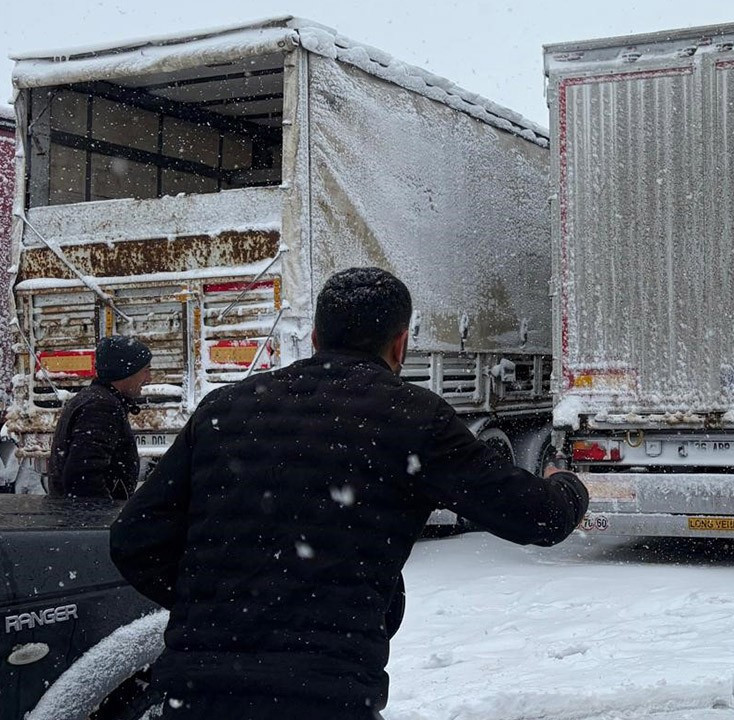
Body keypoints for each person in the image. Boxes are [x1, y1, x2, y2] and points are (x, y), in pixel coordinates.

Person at [109, 267, 589, 719]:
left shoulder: (226, 407)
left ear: (316, 338)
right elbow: (540, 519)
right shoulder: (414, 418)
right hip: (325, 693)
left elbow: (133, 539)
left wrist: (221, 605)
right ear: (400, 344)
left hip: (194, 693)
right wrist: (564, 483)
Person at [48, 335, 152, 499]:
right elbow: (84, 476)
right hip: (87, 520)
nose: (148, 379)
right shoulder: (101, 407)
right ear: (125, 372)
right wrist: (102, 518)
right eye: (146, 371)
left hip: (79, 517)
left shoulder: (97, 399)